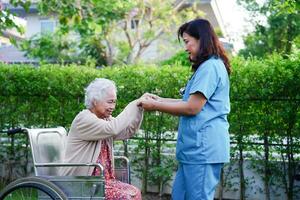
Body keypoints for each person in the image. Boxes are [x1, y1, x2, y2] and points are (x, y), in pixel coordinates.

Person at [139, 18, 231, 200]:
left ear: (201, 40)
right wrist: (160, 99)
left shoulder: (210, 67)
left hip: (203, 152)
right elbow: (190, 101)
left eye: (188, 41)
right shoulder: (207, 67)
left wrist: (155, 105)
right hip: (193, 152)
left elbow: (192, 107)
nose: (185, 47)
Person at [60, 78, 143, 200]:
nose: (113, 106)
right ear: (94, 101)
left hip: (104, 182)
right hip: (84, 183)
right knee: (125, 197)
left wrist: (139, 109)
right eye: (109, 102)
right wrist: (131, 105)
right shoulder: (84, 119)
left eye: (114, 102)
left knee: (135, 192)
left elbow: (128, 131)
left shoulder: (105, 119)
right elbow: (113, 128)